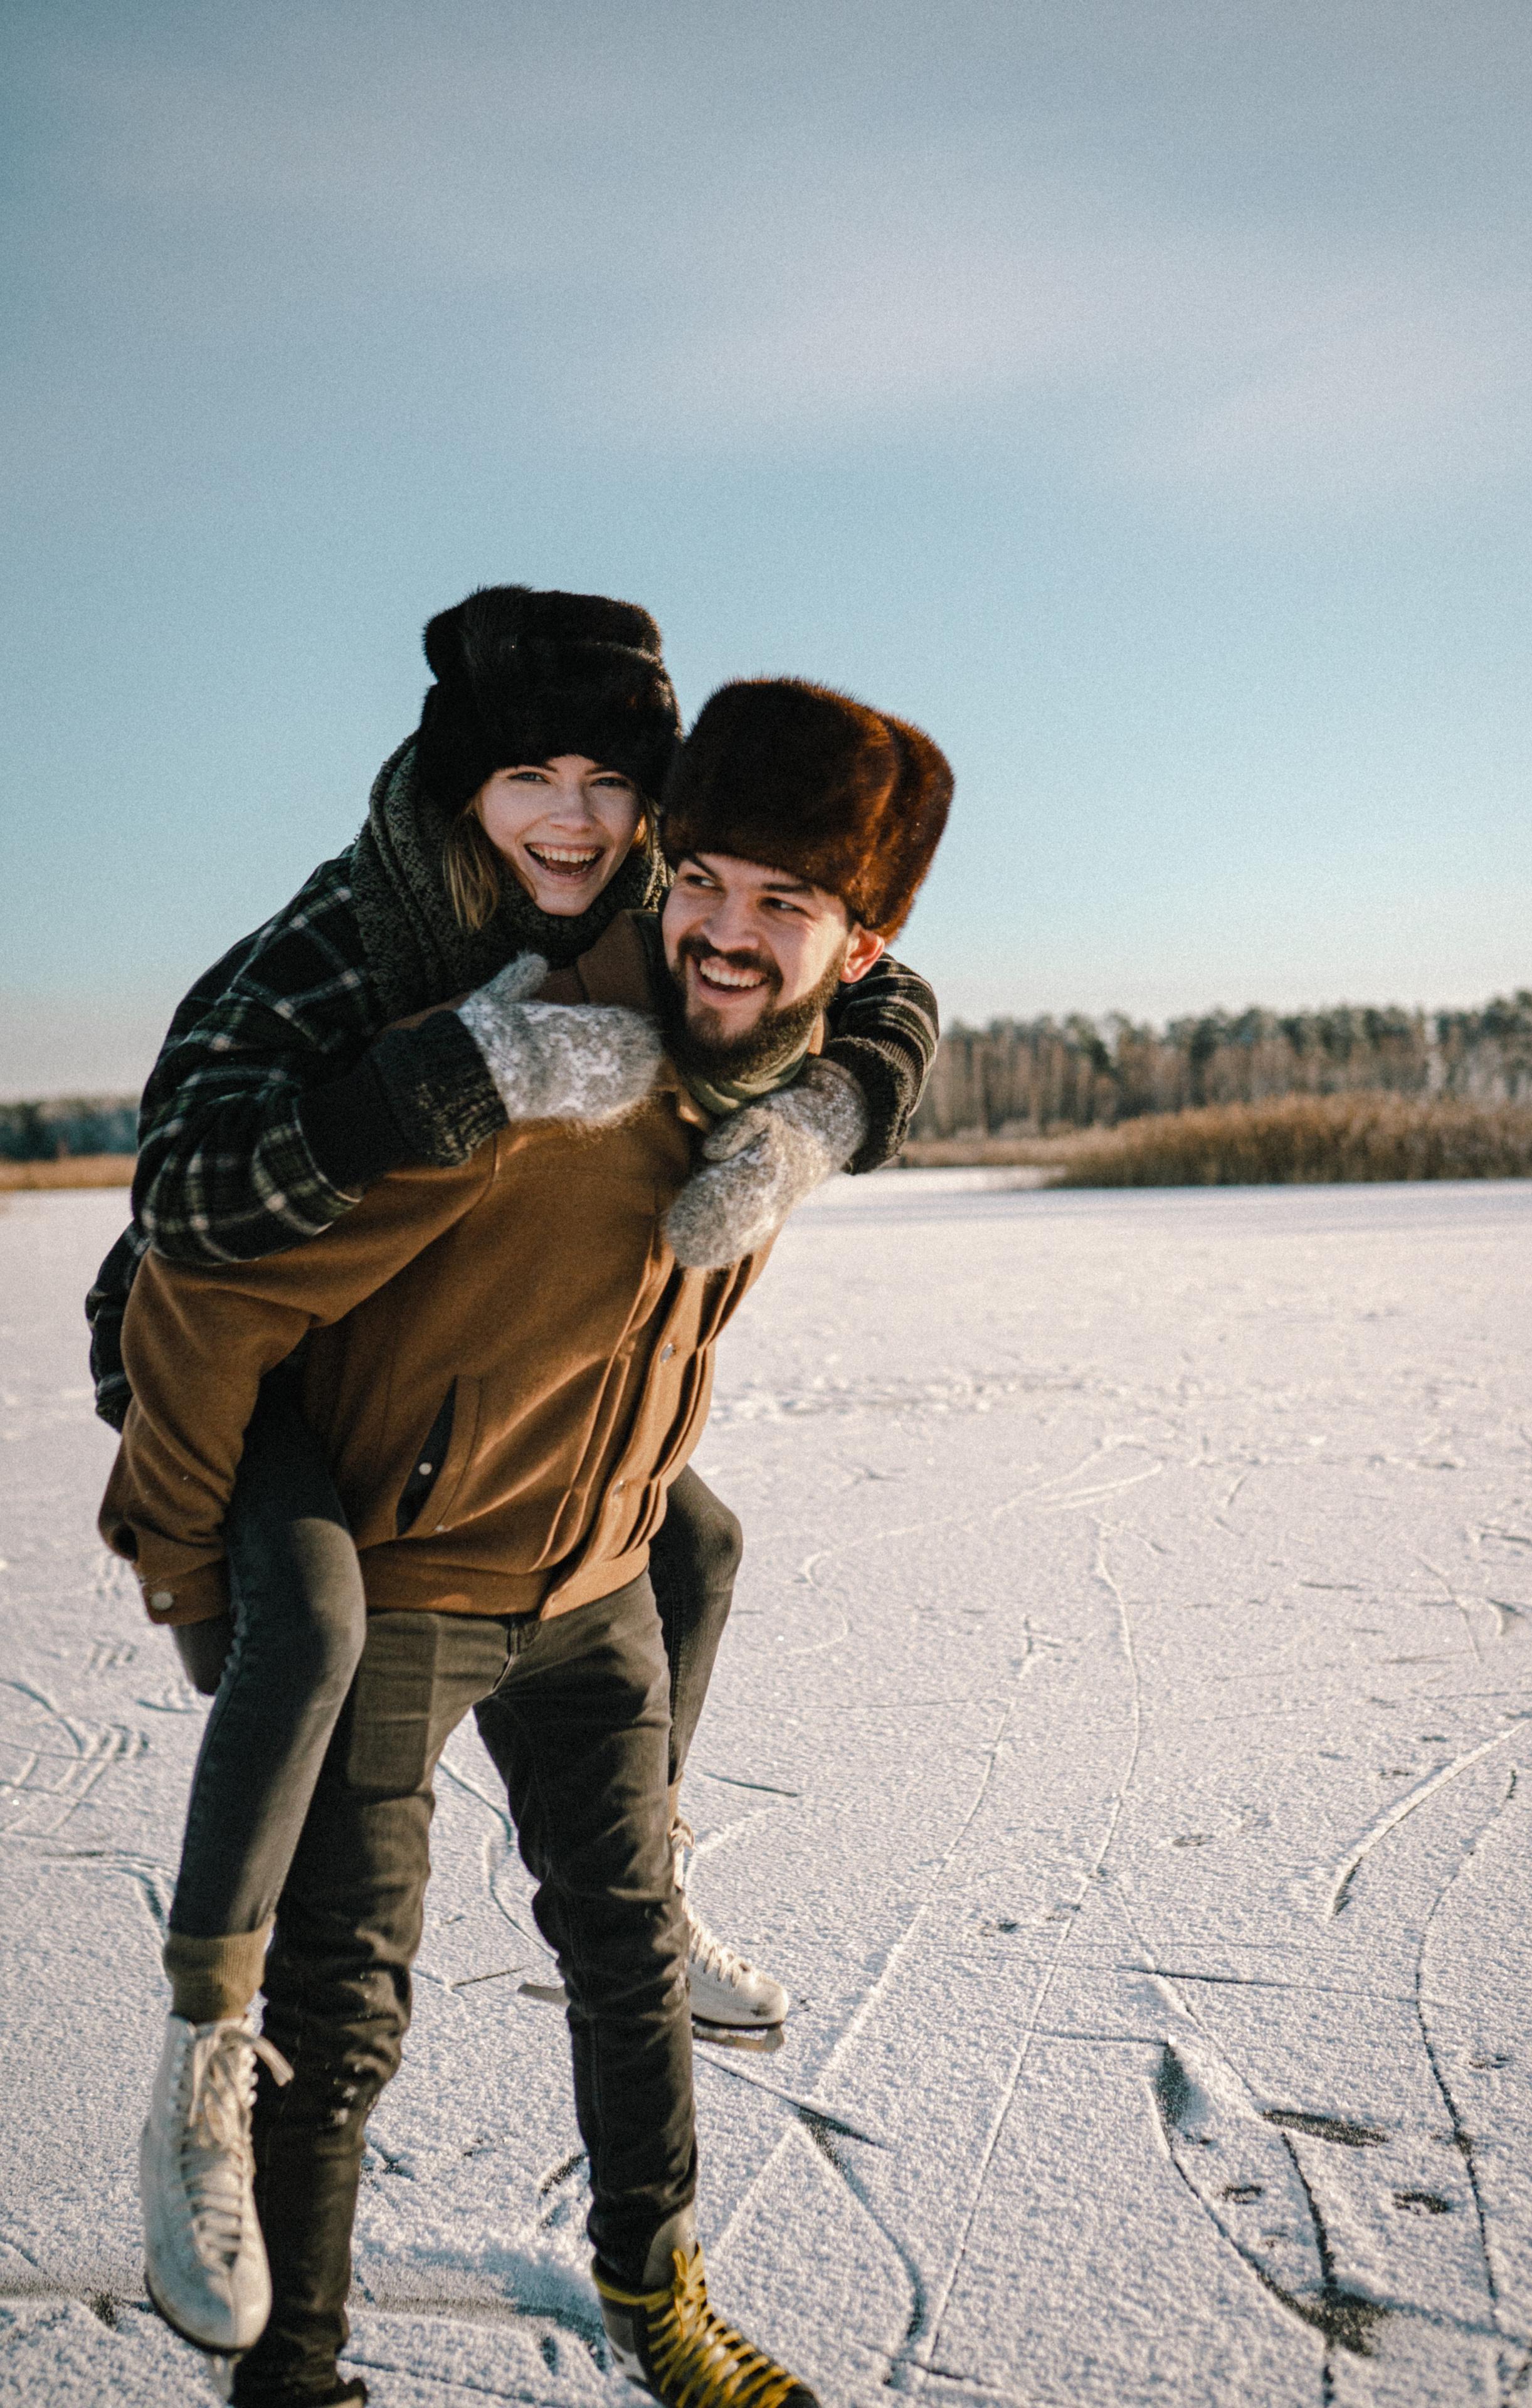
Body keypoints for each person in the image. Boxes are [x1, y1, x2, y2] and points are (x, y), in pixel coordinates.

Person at [100, 675, 953, 2407]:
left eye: (785, 909)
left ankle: (657, 2300)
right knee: (341, 2024)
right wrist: (198, 1569)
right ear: (664, 866)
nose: (724, 935)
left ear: (854, 951)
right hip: (405, 1585)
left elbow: (906, 1023)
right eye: (700, 881)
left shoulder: (782, 1084)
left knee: (631, 1955)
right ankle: (293, 2383)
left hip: (598, 1579)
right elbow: (194, 1289)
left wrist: (825, 1122)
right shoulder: (541, 1058)